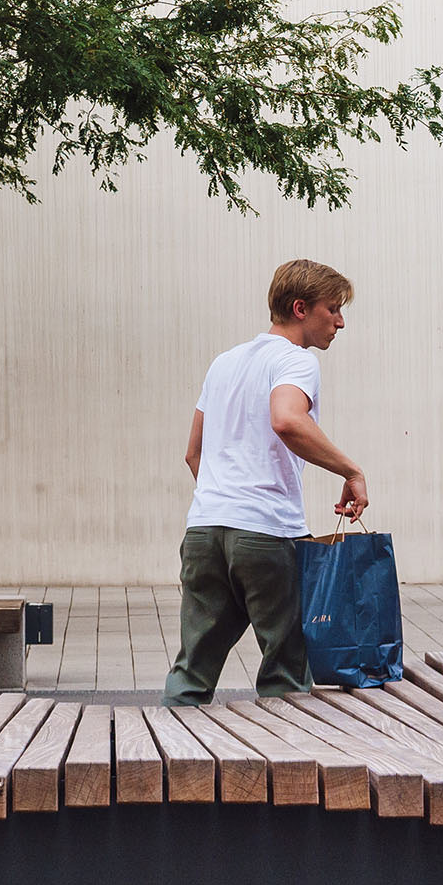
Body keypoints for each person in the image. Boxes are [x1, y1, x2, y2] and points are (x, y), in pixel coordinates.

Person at [161, 260, 369, 707]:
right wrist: (351, 471)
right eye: (332, 309)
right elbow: (287, 420)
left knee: (193, 668)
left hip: (204, 531)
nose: (340, 321)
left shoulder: (224, 362)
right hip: (266, 534)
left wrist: (226, 502)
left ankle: (164, 761)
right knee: (286, 669)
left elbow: (192, 453)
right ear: (300, 308)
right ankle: (289, 766)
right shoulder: (296, 361)